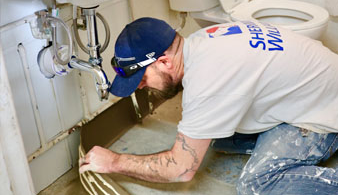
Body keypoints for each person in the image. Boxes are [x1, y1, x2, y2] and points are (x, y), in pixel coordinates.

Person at [79, 17, 338, 194]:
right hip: (314, 87)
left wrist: (114, 162)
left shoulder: (207, 79)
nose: (142, 86)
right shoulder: (201, 41)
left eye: (142, 78)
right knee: (217, 138)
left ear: (164, 62)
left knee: (256, 185)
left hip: (320, 114)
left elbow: (181, 169)